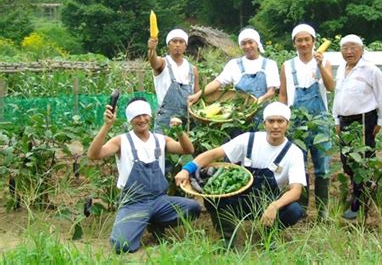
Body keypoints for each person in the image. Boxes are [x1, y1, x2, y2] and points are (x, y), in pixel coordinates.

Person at [175, 102, 306, 247]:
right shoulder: (249, 139)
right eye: (271, 121)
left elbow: (296, 190)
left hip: (267, 202)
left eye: (280, 121)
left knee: (294, 210)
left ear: (287, 124)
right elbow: (214, 154)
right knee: (213, 198)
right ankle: (228, 238)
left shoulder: (293, 153)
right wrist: (187, 169)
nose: (275, 126)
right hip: (239, 200)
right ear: (264, 123)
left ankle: (267, 233)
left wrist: (274, 206)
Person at [87, 97, 201, 253]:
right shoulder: (121, 141)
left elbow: (188, 150)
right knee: (121, 246)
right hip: (134, 203)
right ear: (130, 120)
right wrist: (107, 126)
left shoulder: (160, 140)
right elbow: (93, 154)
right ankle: (141, 221)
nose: (142, 119)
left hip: (159, 200)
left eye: (144, 115)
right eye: (136, 116)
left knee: (193, 208)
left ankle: (154, 223)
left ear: (150, 116)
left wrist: (179, 132)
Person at [332, 34, 382, 220]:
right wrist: (336, 119)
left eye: (353, 47)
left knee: (362, 160)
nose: (349, 52)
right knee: (347, 160)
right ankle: (363, 190)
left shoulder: (371, 70)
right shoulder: (341, 69)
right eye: (345, 48)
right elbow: (338, 95)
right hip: (345, 121)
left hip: (364, 119)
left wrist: (380, 121)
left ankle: (359, 200)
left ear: (362, 50)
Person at [279, 24, 335, 220]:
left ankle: (323, 211)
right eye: (299, 40)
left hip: (321, 122)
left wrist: (320, 66)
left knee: (323, 167)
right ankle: (300, 209)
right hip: (297, 123)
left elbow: (331, 87)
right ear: (294, 43)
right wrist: (282, 118)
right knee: (298, 166)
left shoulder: (324, 61)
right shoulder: (287, 65)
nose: (303, 43)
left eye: (307, 39)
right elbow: (283, 95)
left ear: (313, 41)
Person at [188, 27, 279, 128]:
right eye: (243, 43)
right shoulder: (234, 64)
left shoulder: (269, 64)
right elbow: (217, 82)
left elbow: (271, 92)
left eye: (250, 42)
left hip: (263, 116)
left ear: (257, 43)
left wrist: (258, 101)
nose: (247, 46)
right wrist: (198, 95)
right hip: (239, 116)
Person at [148, 28, 200, 134]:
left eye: (181, 42)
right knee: (161, 148)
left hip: (186, 121)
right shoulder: (163, 63)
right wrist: (151, 50)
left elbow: (196, 96)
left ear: (185, 46)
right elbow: (153, 62)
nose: (177, 45)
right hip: (165, 120)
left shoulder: (193, 70)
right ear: (168, 45)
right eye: (174, 41)